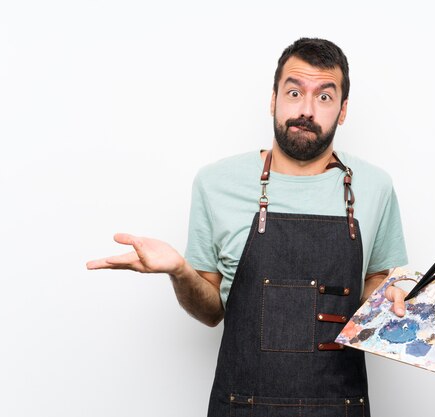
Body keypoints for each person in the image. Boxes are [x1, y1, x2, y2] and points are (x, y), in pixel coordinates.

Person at [87, 37, 409, 417]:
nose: (306, 110)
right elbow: (210, 313)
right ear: (273, 99)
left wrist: (386, 298)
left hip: (339, 405)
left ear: (342, 110)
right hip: (241, 407)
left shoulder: (375, 187)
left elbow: (375, 281)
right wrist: (180, 272)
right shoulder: (216, 183)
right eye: (294, 92)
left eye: (324, 97)